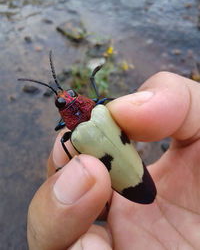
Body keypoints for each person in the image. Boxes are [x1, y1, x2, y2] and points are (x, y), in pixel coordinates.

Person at [27, 72, 200, 249]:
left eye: (69, 94)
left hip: (121, 175)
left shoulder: (76, 136)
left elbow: (61, 129)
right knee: (103, 103)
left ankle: (86, 178)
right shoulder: (100, 111)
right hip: (123, 166)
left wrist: (69, 163)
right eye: (62, 100)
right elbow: (99, 99)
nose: (66, 96)